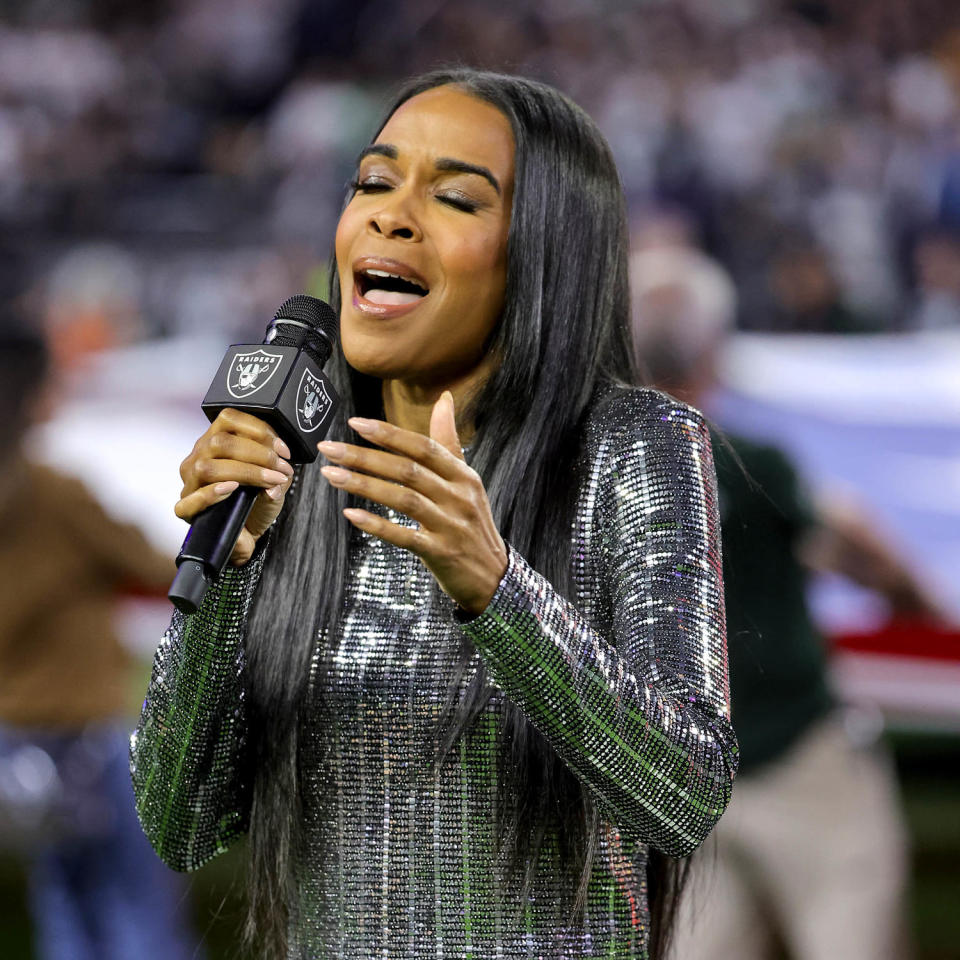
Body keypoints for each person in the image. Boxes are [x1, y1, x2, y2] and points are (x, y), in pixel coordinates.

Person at [131, 69, 738, 960]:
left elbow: (684, 793)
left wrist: (495, 591)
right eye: (373, 183)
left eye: (454, 196)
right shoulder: (294, 464)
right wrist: (229, 576)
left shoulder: (630, 443)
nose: (390, 214)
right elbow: (179, 827)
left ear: (543, 253)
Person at [628, 245, 933, 960]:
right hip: (799, 764)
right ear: (712, 351)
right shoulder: (750, 463)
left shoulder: (603, 473)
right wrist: (916, 601)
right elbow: (857, 545)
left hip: (690, 781)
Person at [0, 322, 200, 960]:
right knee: (135, 914)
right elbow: (160, 566)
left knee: (64, 911)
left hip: (13, 742)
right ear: (35, 393)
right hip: (80, 733)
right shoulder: (55, 493)